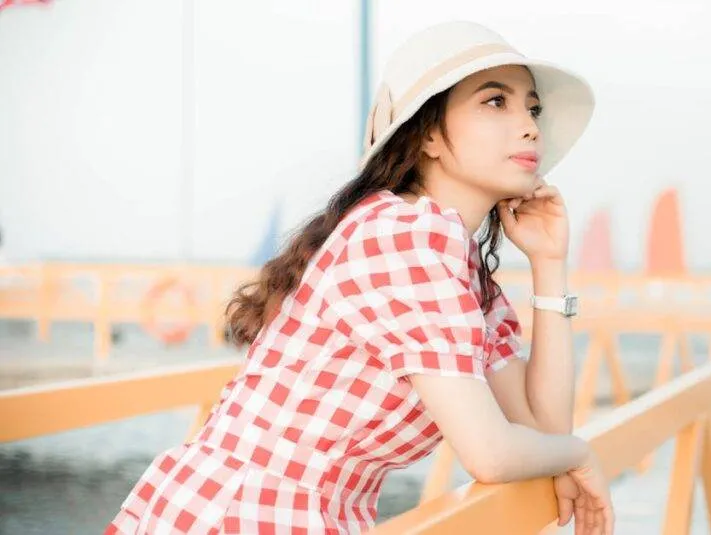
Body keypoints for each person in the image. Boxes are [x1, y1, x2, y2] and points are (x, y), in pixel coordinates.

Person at [105, 20, 612, 535]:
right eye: (494, 102)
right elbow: (493, 452)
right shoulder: (406, 234)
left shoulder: (460, 272)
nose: (529, 126)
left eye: (533, 108)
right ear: (430, 134)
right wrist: (581, 453)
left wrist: (550, 265)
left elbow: (542, 431)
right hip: (243, 512)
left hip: (301, 514)